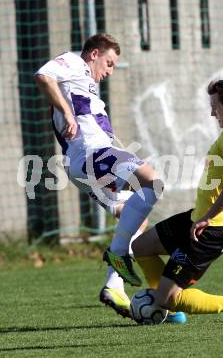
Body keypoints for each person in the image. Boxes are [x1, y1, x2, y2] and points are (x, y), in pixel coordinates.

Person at [34, 33, 163, 318]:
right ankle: (120, 259)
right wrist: (66, 112)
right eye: (110, 62)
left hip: (84, 163)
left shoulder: (86, 83)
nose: (110, 71)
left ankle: (114, 286)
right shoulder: (73, 63)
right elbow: (43, 75)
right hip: (93, 155)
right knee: (152, 179)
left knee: (136, 216)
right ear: (94, 54)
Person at [131, 77, 223, 320]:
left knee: (168, 297)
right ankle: (167, 307)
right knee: (141, 247)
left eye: (215, 106)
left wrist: (207, 218)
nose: (213, 113)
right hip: (197, 219)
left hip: (210, 228)